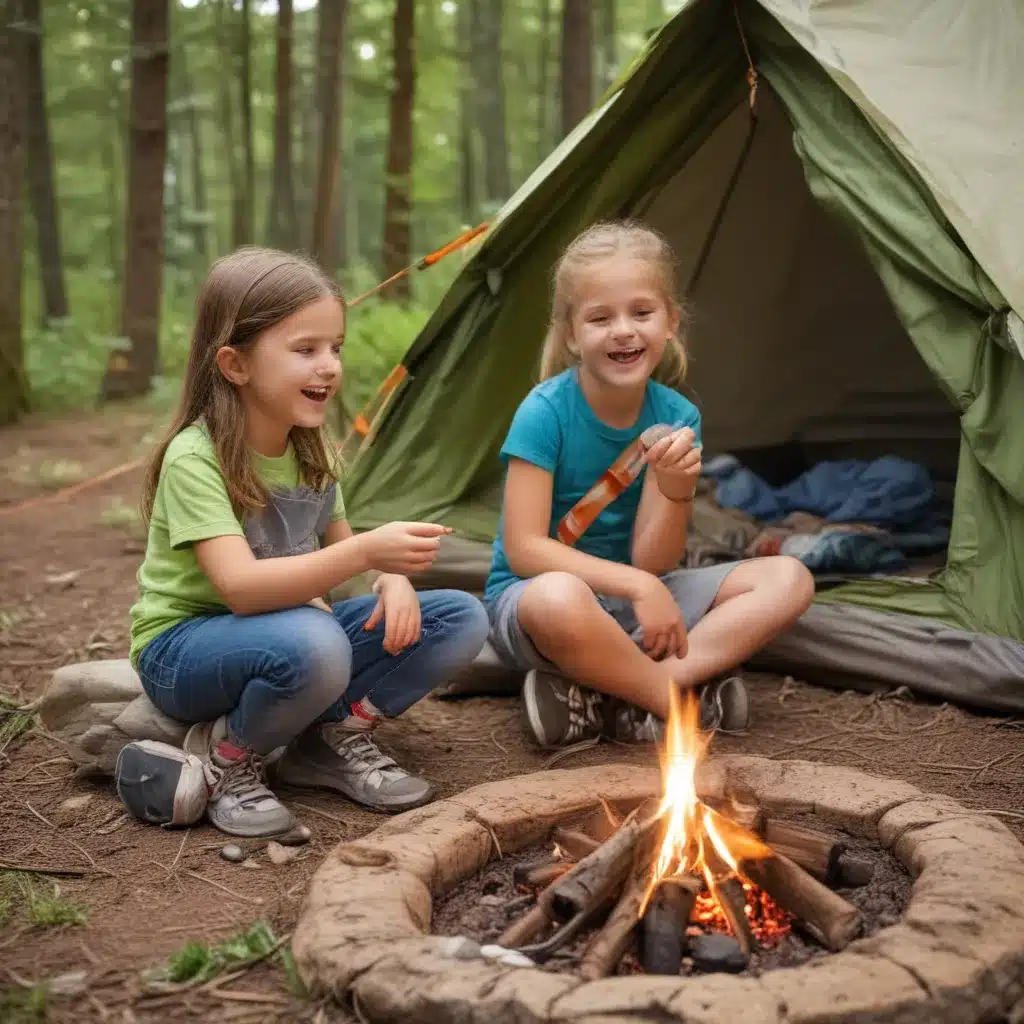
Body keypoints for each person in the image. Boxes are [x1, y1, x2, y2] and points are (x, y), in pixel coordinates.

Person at [129, 247, 489, 838]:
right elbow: (241, 590)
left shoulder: (311, 451)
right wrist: (367, 553)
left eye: (335, 348)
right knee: (317, 641)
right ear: (235, 364)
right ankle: (231, 762)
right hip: (183, 651)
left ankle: (329, 738)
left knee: (458, 617)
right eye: (305, 350)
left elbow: (344, 556)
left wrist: (390, 579)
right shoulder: (195, 458)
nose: (329, 367)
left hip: (290, 639)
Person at [484, 221, 815, 748]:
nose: (624, 330)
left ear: (671, 324)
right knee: (559, 597)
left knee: (790, 578)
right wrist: (640, 587)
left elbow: (652, 560)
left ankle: (606, 692)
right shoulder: (544, 413)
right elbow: (525, 552)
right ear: (571, 334)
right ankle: (672, 700)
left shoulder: (678, 416)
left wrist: (677, 489)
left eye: (642, 313)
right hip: (540, 605)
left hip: (634, 606)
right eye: (600, 317)